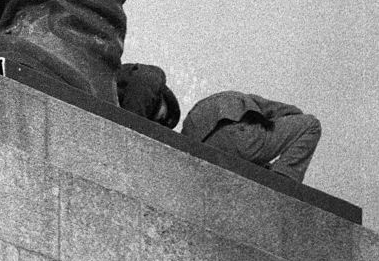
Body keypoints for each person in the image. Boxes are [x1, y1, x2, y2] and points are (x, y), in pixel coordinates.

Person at [182, 91, 322, 182]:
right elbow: (294, 113)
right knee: (311, 124)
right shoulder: (249, 100)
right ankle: (282, 180)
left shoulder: (197, 110)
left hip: (204, 150)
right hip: (239, 135)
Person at [117, 63, 180, 129]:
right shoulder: (153, 78)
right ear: (165, 100)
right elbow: (143, 84)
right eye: (163, 117)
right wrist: (136, 128)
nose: (158, 120)